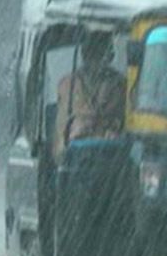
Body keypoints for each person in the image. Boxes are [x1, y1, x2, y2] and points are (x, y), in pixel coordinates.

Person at [53, 31, 125, 162]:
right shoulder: (68, 85)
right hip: (74, 161)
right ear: (84, 55)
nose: (98, 60)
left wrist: (115, 133)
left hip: (112, 160)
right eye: (94, 54)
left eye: (102, 53)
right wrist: (76, 134)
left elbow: (127, 127)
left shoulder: (120, 85)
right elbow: (61, 137)